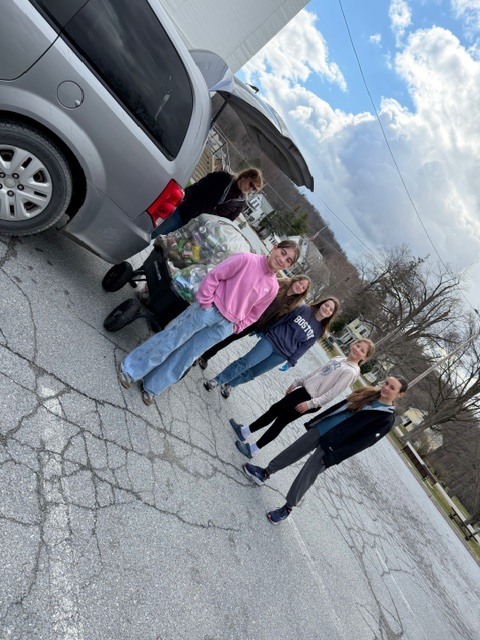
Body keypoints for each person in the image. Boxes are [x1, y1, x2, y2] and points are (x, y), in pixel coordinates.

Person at [118, 240, 300, 405]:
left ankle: (153, 386)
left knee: (187, 355)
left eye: (288, 260)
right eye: (283, 253)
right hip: (207, 310)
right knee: (171, 339)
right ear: (275, 247)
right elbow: (215, 275)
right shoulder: (246, 259)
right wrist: (205, 301)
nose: (282, 260)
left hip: (224, 326)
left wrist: (237, 326)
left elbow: (255, 312)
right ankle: (131, 369)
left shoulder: (273, 287)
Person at [242, 375, 409, 524]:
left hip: (334, 445)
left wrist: (334, 457)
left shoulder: (386, 418)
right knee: (293, 451)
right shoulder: (369, 394)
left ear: (399, 395)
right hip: (324, 427)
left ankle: (287, 508)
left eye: (392, 388)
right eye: (386, 383)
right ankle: (265, 472)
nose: (386, 388)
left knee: (307, 474)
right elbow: (340, 408)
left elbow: (362, 443)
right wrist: (318, 420)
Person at [230, 338, 376, 459]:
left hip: (310, 399)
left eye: (362, 350)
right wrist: (297, 382)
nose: (357, 350)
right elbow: (317, 373)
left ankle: (253, 449)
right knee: (275, 410)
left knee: (281, 420)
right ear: (353, 344)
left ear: (365, 357)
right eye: (358, 345)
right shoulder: (340, 359)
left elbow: (332, 393)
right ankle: (245, 431)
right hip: (303, 391)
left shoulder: (350, 371)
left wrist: (310, 404)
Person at [203, 297, 340, 398]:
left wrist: (292, 361)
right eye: (326, 305)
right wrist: (266, 329)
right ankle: (218, 380)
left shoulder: (319, 330)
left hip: (281, 355)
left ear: (331, 314)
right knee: (246, 362)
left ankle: (231, 385)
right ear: (321, 303)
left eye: (330, 309)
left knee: (253, 373)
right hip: (272, 340)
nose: (327, 309)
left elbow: (305, 346)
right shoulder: (304, 309)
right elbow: (284, 319)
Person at [195, 274, 312, 370]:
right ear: (296, 280)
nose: (300, 287)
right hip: (246, 314)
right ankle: (197, 353)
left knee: (229, 339)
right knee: (219, 332)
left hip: (255, 324)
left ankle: (206, 356)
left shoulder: (294, 305)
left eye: (303, 288)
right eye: (300, 283)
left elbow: (277, 319)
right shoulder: (278, 284)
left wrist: (262, 329)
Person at [151, 168, 263, 237]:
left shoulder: (241, 204)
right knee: (155, 233)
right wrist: (179, 198)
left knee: (165, 251)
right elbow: (197, 187)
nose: (251, 189)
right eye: (251, 185)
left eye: (254, 190)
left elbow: (225, 222)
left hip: (196, 230)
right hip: (184, 214)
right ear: (245, 176)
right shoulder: (222, 177)